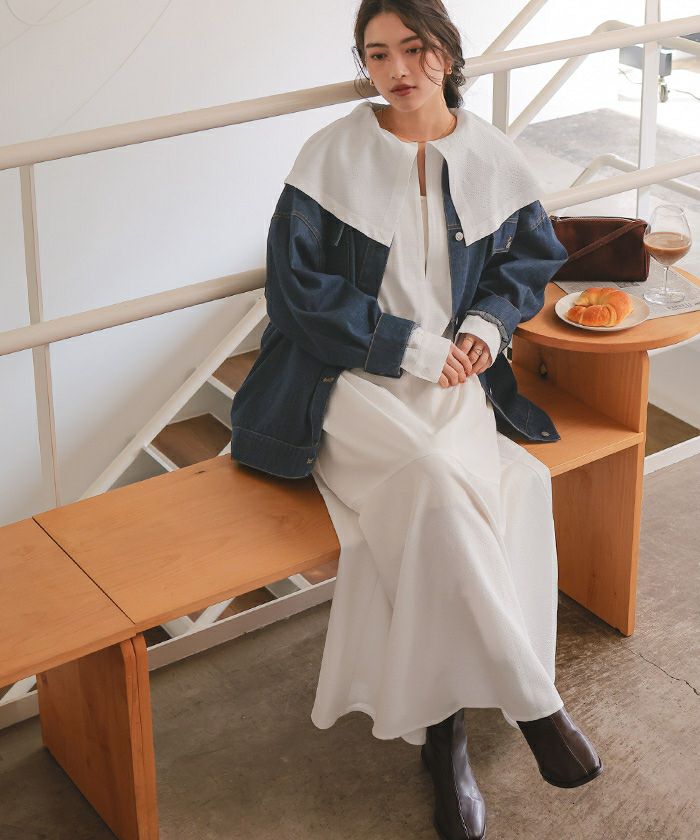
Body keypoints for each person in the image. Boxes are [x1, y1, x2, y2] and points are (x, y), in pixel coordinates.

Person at [230, 2, 604, 837]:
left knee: (449, 495)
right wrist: (410, 348)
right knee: (438, 479)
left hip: (455, 379)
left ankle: (445, 738)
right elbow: (295, 295)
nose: (397, 69)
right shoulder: (330, 155)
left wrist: (484, 329)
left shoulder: (491, 154)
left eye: (413, 48)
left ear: (446, 53)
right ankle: (534, 706)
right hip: (344, 382)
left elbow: (529, 261)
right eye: (376, 54)